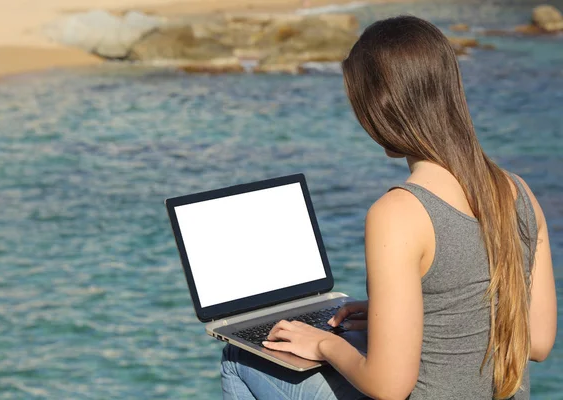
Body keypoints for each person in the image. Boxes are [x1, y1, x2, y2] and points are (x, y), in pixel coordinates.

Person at [220, 15, 557, 399]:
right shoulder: (519, 192)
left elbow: (389, 386)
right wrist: (397, 314)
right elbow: (538, 342)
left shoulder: (399, 212)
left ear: (380, 108)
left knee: (238, 358)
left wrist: (323, 345)